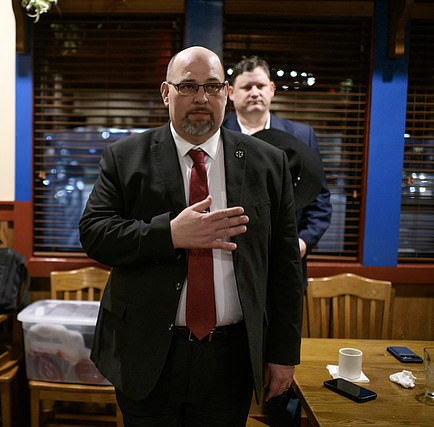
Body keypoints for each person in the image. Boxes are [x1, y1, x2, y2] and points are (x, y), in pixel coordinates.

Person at [79, 46, 304, 426]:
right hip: (147, 353)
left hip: (229, 357)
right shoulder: (125, 157)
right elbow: (95, 234)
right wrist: (169, 234)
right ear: (166, 93)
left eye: (212, 86)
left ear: (226, 93)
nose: (201, 97)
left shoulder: (269, 163)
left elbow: (285, 267)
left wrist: (283, 355)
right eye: (188, 87)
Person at [224, 56, 332, 281]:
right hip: (227, 264)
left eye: (261, 86)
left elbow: (319, 201)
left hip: (285, 266)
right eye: (246, 87)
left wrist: (302, 242)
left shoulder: (302, 136)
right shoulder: (216, 135)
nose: (255, 92)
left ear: (271, 89)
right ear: (230, 93)